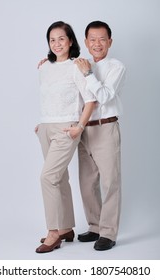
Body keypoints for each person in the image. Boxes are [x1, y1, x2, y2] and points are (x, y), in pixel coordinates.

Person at [35, 21, 96, 253]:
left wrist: (79, 127)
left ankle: (53, 232)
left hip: (67, 128)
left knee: (47, 177)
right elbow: (49, 97)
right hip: (46, 128)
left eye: (61, 38)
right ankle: (65, 228)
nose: (57, 43)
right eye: (52, 40)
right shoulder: (44, 67)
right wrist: (42, 123)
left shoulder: (76, 66)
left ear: (70, 41)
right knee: (58, 179)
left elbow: (90, 100)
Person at [74, 21, 126, 250]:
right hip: (84, 128)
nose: (97, 44)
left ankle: (108, 233)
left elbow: (104, 96)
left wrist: (87, 73)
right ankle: (94, 227)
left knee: (110, 182)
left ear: (110, 42)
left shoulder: (116, 67)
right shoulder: (79, 65)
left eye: (102, 39)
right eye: (92, 39)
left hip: (106, 127)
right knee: (87, 183)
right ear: (85, 42)